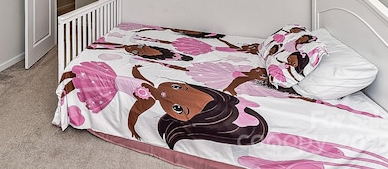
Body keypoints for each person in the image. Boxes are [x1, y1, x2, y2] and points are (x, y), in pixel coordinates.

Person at [60, 63, 268, 146]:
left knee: (78, 77)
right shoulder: (152, 91)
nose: (169, 92)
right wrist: (136, 70)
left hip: (110, 85)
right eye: (181, 88)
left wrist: (132, 127)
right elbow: (141, 79)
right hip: (116, 77)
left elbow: (134, 111)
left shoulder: (149, 99)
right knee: (75, 76)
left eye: (178, 109)